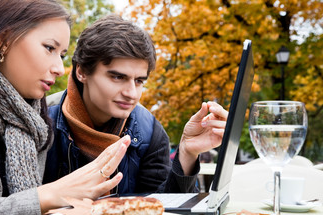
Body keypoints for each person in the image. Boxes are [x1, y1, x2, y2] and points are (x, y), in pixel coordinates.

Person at [0, 1, 131, 215]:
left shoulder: (34, 119)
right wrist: (45, 197)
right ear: (4, 40)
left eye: (62, 55)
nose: (60, 68)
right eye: (49, 48)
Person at [44, 15, 228, 195]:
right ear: (82, 72)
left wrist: (187, 154)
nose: (131, 93)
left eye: (139, 81)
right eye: (117, 77)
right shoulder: (41, 121)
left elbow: (165, 214)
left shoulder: (150, 131)